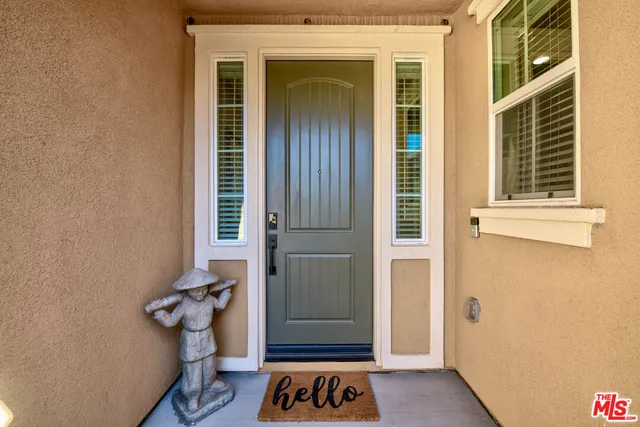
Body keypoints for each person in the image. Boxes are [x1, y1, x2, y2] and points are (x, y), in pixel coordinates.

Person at [144, 268, 236, 412]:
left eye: (203, 289)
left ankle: (210, 382)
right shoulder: (184, 304)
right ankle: (192, 394)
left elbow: (218, 306)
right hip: (191, 338)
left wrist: (225, 294)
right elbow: (172, 321)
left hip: (207, 335)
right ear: (187, 290)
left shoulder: (209, 299)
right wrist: (160, 314)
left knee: (209, 361)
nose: (201, 294)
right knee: (192, 367)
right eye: (196, 291)